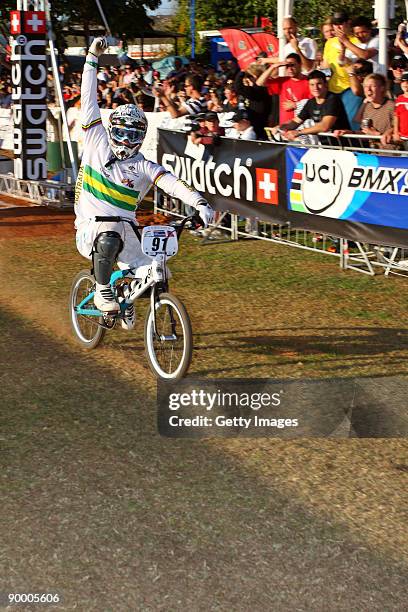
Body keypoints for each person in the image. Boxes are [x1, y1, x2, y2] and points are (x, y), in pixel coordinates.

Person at [75, 37, 214, 327]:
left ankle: (125, 296)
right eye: (122, 132)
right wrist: (91, 58)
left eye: (134, 135)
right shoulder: (95, 139)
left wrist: (200, 203)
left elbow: (172, 182)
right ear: (111, 129)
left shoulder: (143, 165)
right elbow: (88, 98)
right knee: (110, 231)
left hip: (127, 230)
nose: (126, 140)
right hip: (90, 226)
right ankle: (102, 291)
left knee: (155, 270)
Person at [272, 70, 350, 141]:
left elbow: (325, 126)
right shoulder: (311, 102)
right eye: (312, 85)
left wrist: (299, 132)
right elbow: (296, 121)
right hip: (325, 147)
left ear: (326, 84)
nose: (315, 88)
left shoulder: (333, 99)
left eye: (319, 84)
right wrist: (281, 127)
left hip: (343, 146)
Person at [257, 53, 311, 124]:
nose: (290, 69)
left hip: (301, 127)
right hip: (284, 128)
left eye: (292, 65)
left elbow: (314, 103)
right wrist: (273, 67)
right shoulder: (283, 81)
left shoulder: (309, 81)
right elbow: (259, 83)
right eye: (287, 66)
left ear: (300, 64)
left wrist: (296, 105)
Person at [393, 71, 408, 141]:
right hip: (403, 137)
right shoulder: (399, 99)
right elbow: (396, 117)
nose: (405, 84)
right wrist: (396, 132)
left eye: (407, 81)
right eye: (403, 81)